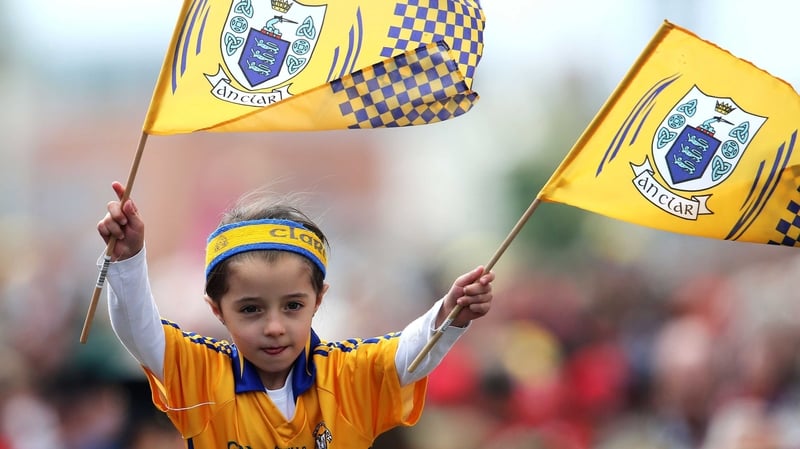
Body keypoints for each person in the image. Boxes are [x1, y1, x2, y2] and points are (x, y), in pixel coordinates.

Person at [97, 181, 495, 449]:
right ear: (217, 309)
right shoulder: (202, 373)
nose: (274, 327)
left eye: (292, 306)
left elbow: (410, 352)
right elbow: (139, 332)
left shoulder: (347, 374)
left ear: (319, 299)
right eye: (251, 309)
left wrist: (451, 312)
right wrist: (127, 259)